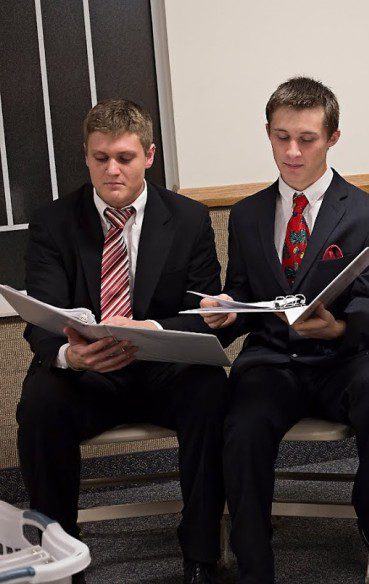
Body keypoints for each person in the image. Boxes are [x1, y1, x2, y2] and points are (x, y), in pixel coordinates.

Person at [200, 77, 369, 584]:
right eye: (280, 136)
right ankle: (254, 562)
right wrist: (227, 313)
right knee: (242, 422)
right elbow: (243, 292)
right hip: (273, 359)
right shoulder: (247, 214)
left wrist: (337, 326)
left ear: (333, 138)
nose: (292, 152)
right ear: (268, 133)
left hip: (348, 357)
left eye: (307, 139)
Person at [17, 99, 229, 584]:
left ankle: (201, 555)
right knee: (40, 402)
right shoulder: (52, 221)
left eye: (125, 158)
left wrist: (153, 330)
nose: (112, 170)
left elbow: (205, 310)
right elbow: (41, 318)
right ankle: (59, 556)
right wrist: (73, 355)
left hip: (163, 370)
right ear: (87, 157)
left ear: (149, 156)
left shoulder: (190, 218)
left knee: (212, 392)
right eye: (100, 158)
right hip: (88, 376)